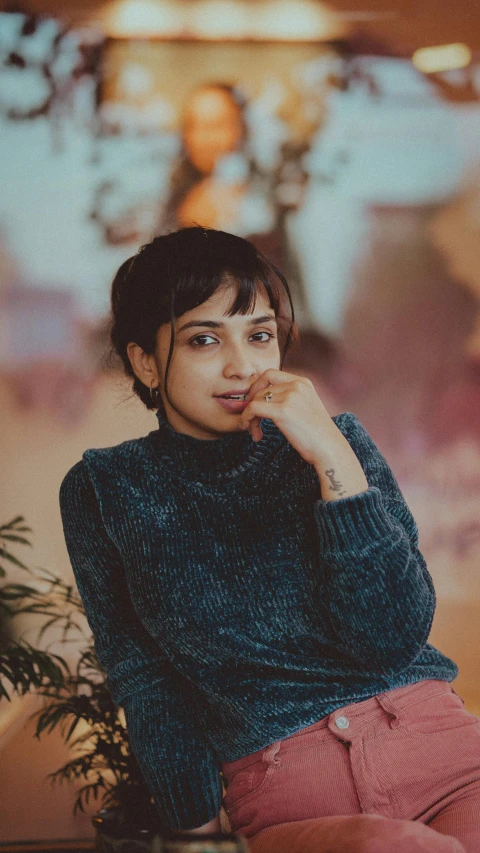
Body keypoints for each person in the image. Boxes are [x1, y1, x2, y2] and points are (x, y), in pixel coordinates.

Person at [58, 227, 480, 853]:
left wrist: (332, 461)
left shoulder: (339, 446)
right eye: (205, 339)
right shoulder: (104, 490)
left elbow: (392, 637)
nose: (243, 366)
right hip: (292, 792)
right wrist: (195, 839)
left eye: (259, 336)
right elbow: (144, 677)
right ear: (145, 359)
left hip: (446, 758)